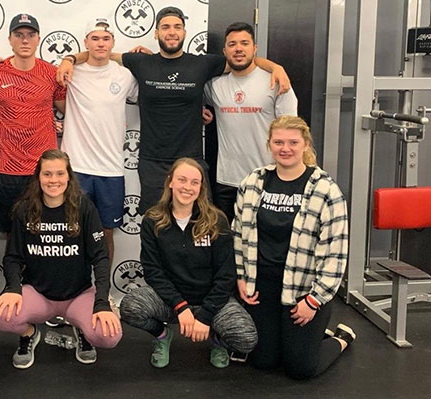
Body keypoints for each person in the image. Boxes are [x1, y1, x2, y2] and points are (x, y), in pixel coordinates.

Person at [56, 6, 291, 213]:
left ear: (184, 33)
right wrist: (69, 59)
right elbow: (102, 53)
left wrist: (275, 67)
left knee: (198, 227)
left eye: (177, 27)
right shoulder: (141, 62)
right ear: (156, 33)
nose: (172, 31)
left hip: (192, 159)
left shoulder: (203, 64)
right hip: (152, 162)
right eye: (166, 27)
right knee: (154, 227)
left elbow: (241, 59)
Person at [233, 115, 354, 380]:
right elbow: (238, 234)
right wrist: (242, 277)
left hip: (303, 291)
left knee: (300, 369)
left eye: (292, 142)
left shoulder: (326, 190)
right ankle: (302, 337)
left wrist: (314, 300)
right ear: (269, 144)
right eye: (278, 142)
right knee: (263, 361)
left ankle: (341, 338)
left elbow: (337, 252)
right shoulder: (253, 182)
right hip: (262, 286)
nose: (285, 148)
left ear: (305, 144)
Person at [0, 149, 121, 369]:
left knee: (110, 336)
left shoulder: (84, 207)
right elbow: (12, 257)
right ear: (38, 177)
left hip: (79, 295)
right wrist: (13, 289)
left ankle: (83, 330)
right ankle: (29, 335)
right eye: (47, 174)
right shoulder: (25, 210)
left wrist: (102, 303)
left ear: (68, 176)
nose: (54, 180)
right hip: (39, 295)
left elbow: (100, 258)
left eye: (60, 174)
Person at [120, 158, 257, 369]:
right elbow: (153, 272)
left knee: (246, 338)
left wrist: (206, 316)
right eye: (182, 180)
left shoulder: (216, 220)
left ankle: (216, 339)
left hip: (211, 300)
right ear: (170, 182)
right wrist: (180, 306)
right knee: (131, 307)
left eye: (195, 182)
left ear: (201, 187)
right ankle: (163, 336)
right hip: (171, 302)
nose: (187, 187)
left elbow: (226, 275)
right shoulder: (153, 220)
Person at [60, 17, 138, 262]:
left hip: (111, 170)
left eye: (106, 38)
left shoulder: (126, 76)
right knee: (72, 232)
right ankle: (73, 291)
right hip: (76, 167)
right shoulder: (71, 72)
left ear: (113, 42)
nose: (100, 44)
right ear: (86, 42)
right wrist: (69, 59)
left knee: (106, 233)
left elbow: (155, 101)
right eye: (95, 38)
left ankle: (102, 293)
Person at [204, 22, 298, 224]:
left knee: (265, 244)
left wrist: (275, 67)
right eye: (232, 44)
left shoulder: (277, 82)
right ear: (224, 51)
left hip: (268, 178)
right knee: (228, 245)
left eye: (244, 43)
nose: (238, 48)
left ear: (254, 48)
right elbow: (184, 92)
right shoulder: (215, 86)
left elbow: (292, 133)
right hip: (226, 181)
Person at [0, 13, 66, 234]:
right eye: (19, 35)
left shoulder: (51, 73)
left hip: (44, 169)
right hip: (8, 169)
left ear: (39, 38)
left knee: (45, 234)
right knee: (13, 235)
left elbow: (70, 111)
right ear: (10, 39)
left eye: (31, 35)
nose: (25, 40)